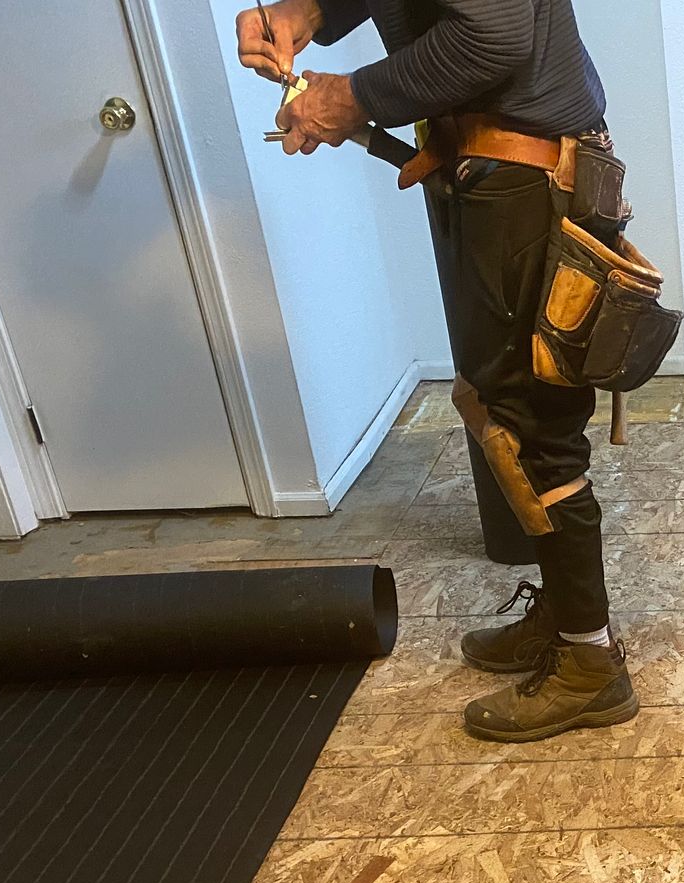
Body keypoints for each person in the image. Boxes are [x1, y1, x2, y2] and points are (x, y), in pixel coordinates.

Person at [235, 0, 638, 745]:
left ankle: (590, 663)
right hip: (493, 163)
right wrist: (311, 9)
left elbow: (493, 32)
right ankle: (568, 614)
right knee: (500, 407)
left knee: (532, 423)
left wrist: (351, 95)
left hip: (526, 172)